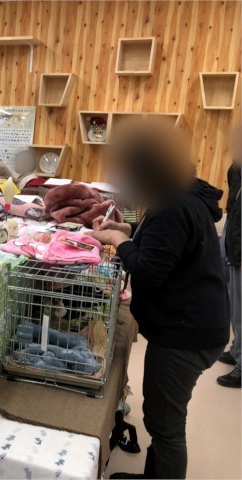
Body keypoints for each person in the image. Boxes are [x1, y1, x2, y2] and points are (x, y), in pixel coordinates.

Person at [87, 119, 229, 480]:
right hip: (194, 324)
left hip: (186, 334)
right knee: (161, 416)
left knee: (166, 425)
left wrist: (120, 242)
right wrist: (129, 230)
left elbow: (149, 271)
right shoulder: (181, 197)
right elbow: (165, 243)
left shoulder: (174, 207)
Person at [217, 127, 241, 388]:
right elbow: (232, 208)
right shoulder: (235, 170)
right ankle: (237, 350)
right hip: (234, 242)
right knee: (235, 305)